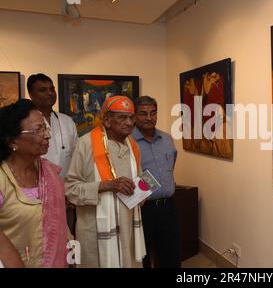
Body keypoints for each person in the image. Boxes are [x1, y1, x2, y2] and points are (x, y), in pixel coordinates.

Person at [65, 95, 146, 268]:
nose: (130, 122)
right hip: (95, 232)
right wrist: (107, 185)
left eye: (131, 117)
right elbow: (70, 189)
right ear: (108, 120)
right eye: (122, 117)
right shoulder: (85, 144)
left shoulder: (133, 146)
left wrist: (143, 192)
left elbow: (138, 182)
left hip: (128, 229)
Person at [0, 99, 68, 267]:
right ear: (12, 141)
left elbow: (60, 226)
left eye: (45, 127)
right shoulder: (2, 180)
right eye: (38, 129)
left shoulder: (50, 174)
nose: (47, 134)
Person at [132, 96, 181, 268]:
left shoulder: (167, 139)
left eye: (153, 113)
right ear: (135, 116)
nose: (149, 117)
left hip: (168, 207)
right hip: (143, 209)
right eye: (143, 113)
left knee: (172, 255)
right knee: (141, 256)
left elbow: (170, 166)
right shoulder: (128, 142)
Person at [27, 74, 79, 235]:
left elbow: (76, 159)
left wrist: (70, 193)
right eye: (43, 90)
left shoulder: (67, 121)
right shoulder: (27, 123)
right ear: (31, 94)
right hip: (38, 198)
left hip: (67, 199)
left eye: (52, 89)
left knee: (67, 244)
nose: (50, 93)